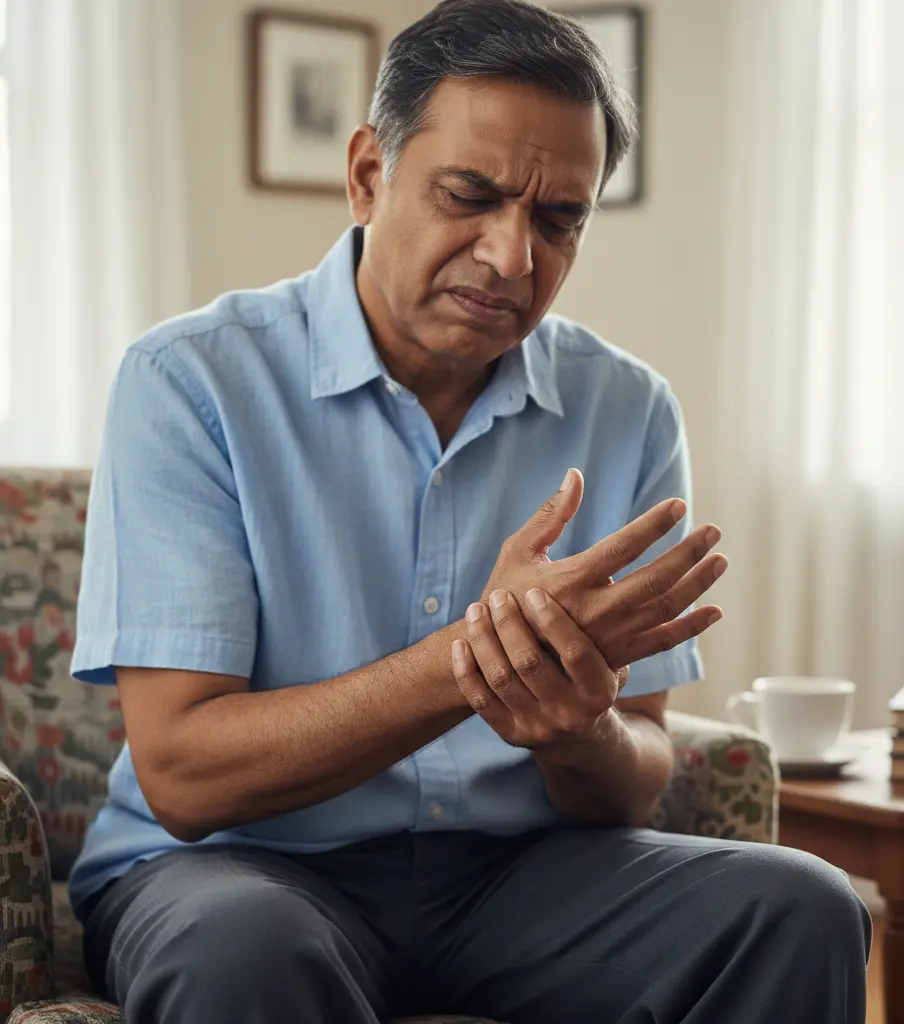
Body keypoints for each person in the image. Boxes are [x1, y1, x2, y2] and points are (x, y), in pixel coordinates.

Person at [70, 1, 871, 1021]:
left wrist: (574, 731)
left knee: (801, 903)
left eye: (556, 219)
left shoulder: (626, 409)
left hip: (517, 877)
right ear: (368, 174)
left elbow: (632, 772)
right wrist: (471, 660)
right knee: (247, 950)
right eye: (472, 196)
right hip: (238, 869)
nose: (511, 256)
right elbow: (183, 774)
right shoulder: (190, 382)